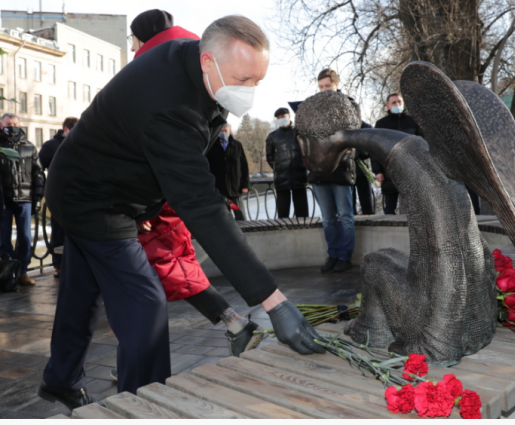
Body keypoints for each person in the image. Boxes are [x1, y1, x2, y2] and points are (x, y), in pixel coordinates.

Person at [39, 15, 323, 410]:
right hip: (94, 200)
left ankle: (60, 379)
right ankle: (144, 405)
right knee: (144, 303)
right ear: (208, 61)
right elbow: (202, 206)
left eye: (258, 80)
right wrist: (273, 302)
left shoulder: (198, 66)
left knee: (81, 292)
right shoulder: (172, 108)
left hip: (93, 186)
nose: (251, 92)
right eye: (244, 80)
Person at [103, 11, 265, 383]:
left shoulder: (154, 73)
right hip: (171, 195)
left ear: (143, 39)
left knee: (144, 279)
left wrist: (139, 205)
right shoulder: (191, 69)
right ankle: (232, 322)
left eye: (132, 40)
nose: (131, 47)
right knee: (173, 269)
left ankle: (139, 365)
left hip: (158, 198)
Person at [309, 68, 357, 273]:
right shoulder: (312, 107)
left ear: (337, 85)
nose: (324, 91)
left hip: (341, 168)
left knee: (345, 216)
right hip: (319, 171)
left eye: (328, 86)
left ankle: (345, 257)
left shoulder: (349, 104)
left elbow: (353, 133)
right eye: (320, 87)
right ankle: (334, 254)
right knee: (328, 218)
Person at [0, 113, 44, 286]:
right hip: (3, 201)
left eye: (15, 123)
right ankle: (6, 273)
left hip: (24, 199)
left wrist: (38, 197)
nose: (12, 126)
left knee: (25, 237)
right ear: (1, 125)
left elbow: (38, 173)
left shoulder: (29, 147)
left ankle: (23, 272)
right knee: (3, 239)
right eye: (9, 123)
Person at [39, 117, 78, 279]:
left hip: (78, 195)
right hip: (59, 195)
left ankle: (74, 264)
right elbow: (41, 166)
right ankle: (59, 265)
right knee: (58, 231)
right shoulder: (51, 146)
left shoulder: (80, 144)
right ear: (66, 130)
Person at [373, 93, 423, 214]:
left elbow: (423, 145)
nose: (397, 104)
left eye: (399, 102)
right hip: (389, 171)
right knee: (389, 208)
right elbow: (374, 149)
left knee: (414, 208)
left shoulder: (413, 121)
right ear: (388, 106)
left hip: (411, 170)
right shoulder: (381, 124)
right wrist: (377, 171)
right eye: (394, 103)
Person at [265, 107, 309, 218]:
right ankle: (283, 232)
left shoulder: (299, 132)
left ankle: (303, 232)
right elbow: (269, 156)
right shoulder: (272, 136)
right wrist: (278, 167)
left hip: (299, 174)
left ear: (289, 116)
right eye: (278, 118)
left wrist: (302, 165)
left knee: (302, 211)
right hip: (281, 177)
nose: (281, 119)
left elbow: (307, 151)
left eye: (283, 117)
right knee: (283, 212)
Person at [206, 124, 250, 221]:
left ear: (230, 131)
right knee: (223, 217)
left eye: (225, 130)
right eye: (221, 131)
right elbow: (207, 167)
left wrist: (245, 184)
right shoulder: (212, 146)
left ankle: (243, 233)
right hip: (220, 189)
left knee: (239, 214)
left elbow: (244, 166)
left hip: (234, 189)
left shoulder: (237, 145)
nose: (223, 132)